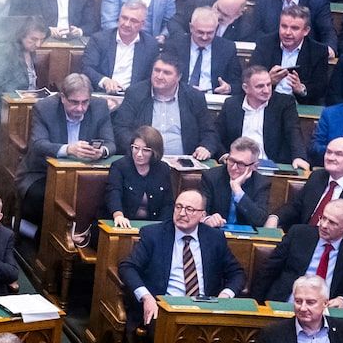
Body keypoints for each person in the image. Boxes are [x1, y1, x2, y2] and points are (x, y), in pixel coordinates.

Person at [118, 190, 245, 327]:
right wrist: (146, 297)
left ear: (202, 215)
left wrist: (225, 296)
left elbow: (237, 273)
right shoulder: (153, 234)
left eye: (189, 209)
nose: (182, 213)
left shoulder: (214, 238)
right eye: (178, 207)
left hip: (205, 309)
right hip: (164, 308)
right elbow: (128, 267)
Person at [18, 74, 113, 227]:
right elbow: (38, 144)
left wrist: (101, 151)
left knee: (102, 197)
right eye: (74, 102)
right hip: (43, 173)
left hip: (83, 176)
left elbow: (111, 143)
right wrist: (69, 149)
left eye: (85, 102)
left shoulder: (99, 107)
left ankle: (82, 236)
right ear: (63, 97)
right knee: (45, 197)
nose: (80, 108)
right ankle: (37, 236)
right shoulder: (45, 108)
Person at [252, 201, 343, 308]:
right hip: (287, 303)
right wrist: (256, 303)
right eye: (323, 218)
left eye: (332, 222)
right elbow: (268, 270)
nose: (324, 225)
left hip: (326, 310)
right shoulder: (298, 233)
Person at [270, 136, 343, 235]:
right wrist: (275, 217)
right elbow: (296, 206)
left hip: (335, 243)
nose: (330, 157)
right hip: (303, 237)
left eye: (338, 154)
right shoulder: (317, 176)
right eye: (328, 152)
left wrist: (329, 228)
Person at [112, 55, 210, 159]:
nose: (159, 76)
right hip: (144, 162)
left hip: (184, 161)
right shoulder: (135, 93)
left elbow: (208, 132)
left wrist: (205, 147)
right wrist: (139, 149)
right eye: (157, 70)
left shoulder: (194, 96)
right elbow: (120, 129)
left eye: (167, 73)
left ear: (179, 77)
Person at [215, 65, 303, 166]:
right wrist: (224, 155)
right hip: (237, 165)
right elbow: (216, 135)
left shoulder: (284, 103)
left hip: (270, 165)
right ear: (246, 88)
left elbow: (293, 132)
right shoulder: (231, 105)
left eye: (268, 85)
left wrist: (299, 157)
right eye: (260, 86)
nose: (266, 90)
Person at [250, 5, 332, 106]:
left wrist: (301, 89)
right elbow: (249, 76)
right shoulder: (265, 43)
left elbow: (320, 89)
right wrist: (268, 81)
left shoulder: (318, 51)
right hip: (266, 102)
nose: (287, 32)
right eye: (284, 26)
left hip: (298, 105)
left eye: (294, 28)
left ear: (306, 31)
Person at [80, 0, 157, 94]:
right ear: (118, 17)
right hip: (103, 95)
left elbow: (150, 77)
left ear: (142, 24)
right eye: (124, 18)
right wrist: (104, 81)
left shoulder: (150, 45)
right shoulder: (99, 39)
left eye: (133, 21)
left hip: (134, 99)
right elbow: (87, 68)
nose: (127, 24)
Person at [104, 126, 175, 228]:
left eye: (146, 150)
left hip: (153, 225)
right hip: (123, 222)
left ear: (155, 152)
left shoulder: (163, 169)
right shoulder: (119, 166)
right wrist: (118, 215)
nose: (139, 154)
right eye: (136, 148)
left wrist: (162, 226)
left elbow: (168, 204)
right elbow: (113, 192)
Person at [200, 137, 272, 229]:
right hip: (216, 233)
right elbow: (201, 211)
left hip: (247, 239)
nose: (234, 167)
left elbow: (259, 220)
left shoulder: (262, 183)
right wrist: (208, 219)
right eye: (231, 160)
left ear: (254, 166)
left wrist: (238, 191)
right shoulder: (211, 177)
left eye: (240, 164)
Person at [174, 8, 239, 95]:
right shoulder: (175, 45)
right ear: (191, 28)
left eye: (210, 33)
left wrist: (228, 88)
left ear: (216, 29)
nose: (205, 37)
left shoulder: (227, 48)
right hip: (182, 96)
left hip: (214, 98)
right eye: (200, 32)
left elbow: (238, 82)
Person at [0, 16, 48, 94]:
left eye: (42, 39)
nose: (38, 44)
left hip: (29, 102)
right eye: (34, 39)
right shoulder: (7, 54)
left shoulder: (31, 52)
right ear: (21, 36)